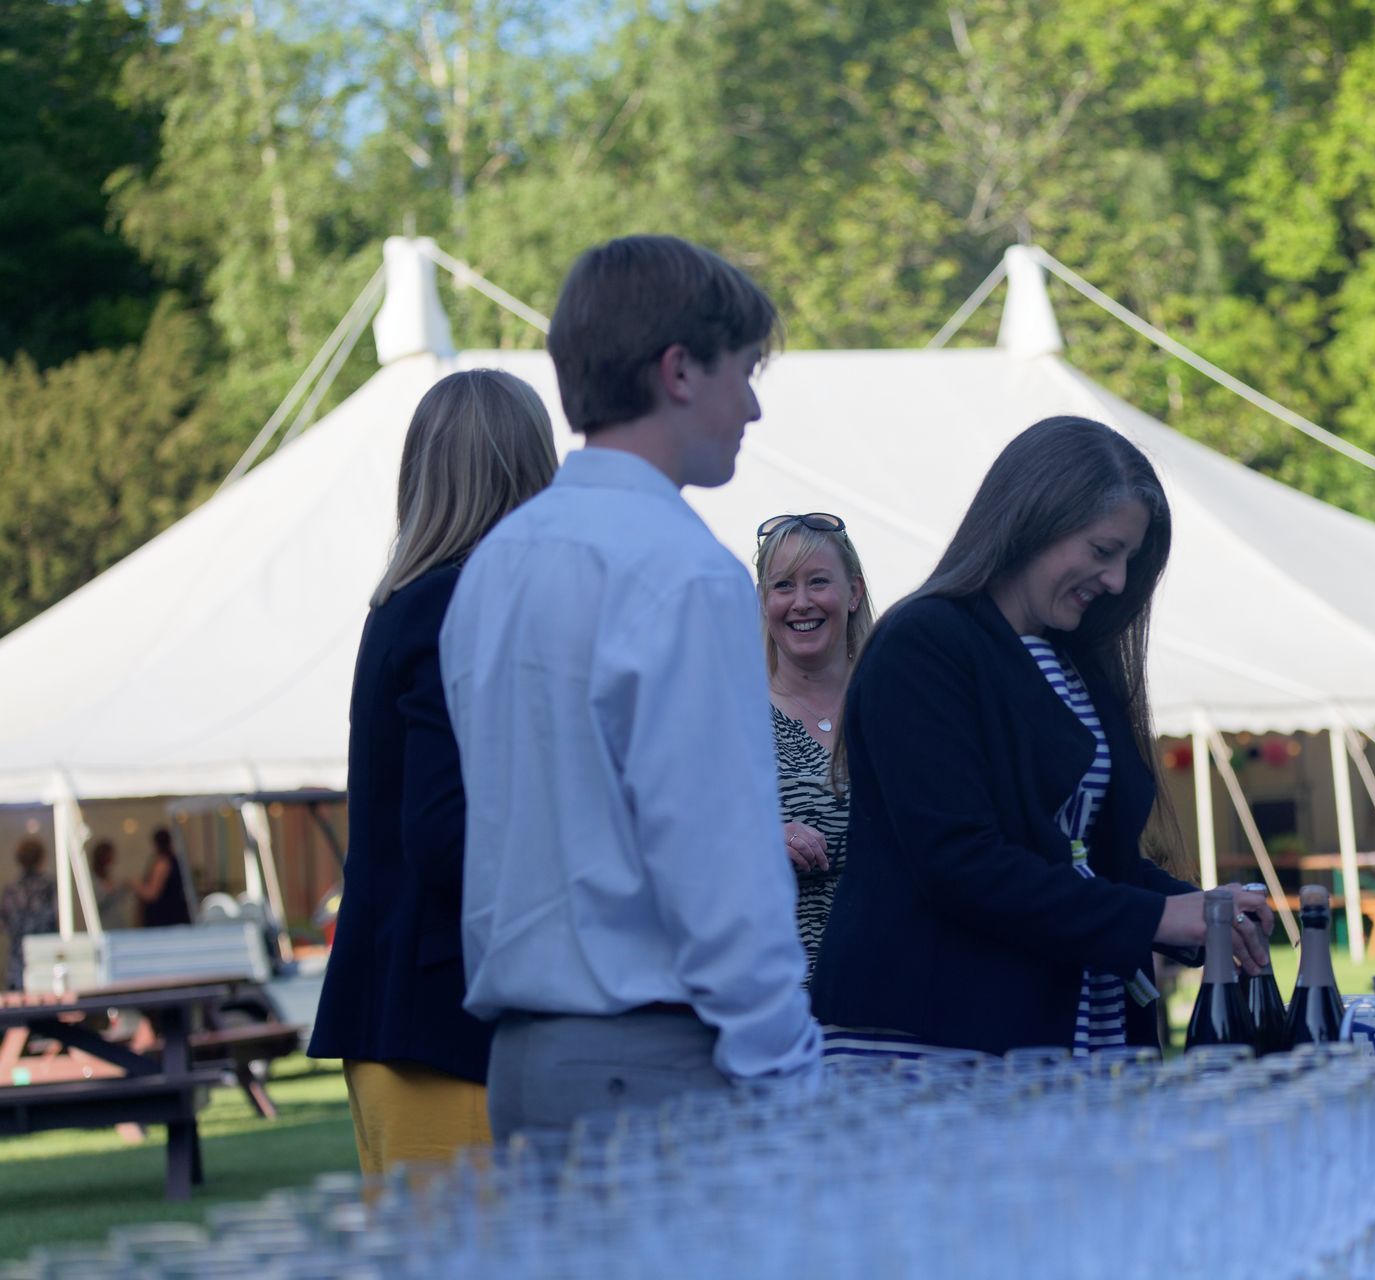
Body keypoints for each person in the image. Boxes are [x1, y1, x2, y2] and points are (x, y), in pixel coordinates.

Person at [443, 234, 821, 1137]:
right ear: (680, 369)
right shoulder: (684, 571)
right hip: (653, 1062)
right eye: (744, 370)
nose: (754, 406)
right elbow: (716, 857)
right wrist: (788, 1069)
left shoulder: (495, 564)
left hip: (528, 1062)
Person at [810, 417, 1274, 1057]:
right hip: (934, 1046)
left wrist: (1194, 908)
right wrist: (1154, 917)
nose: (1116, 581)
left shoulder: (1073, 660)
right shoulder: (923, 645)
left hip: (1067, 1039)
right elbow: (961, 861)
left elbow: (1080, 861)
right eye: (1103, 550)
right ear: (1034, 518)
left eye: (1129, 561)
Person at [308, 368, 558, 1175]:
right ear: (524, 468)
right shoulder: (459, 602)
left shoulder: (408, 602)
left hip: (409, 1011)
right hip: (444, 1021)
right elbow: (447, 831)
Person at [753, 511, 873, 986]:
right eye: (783, 586)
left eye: (818, 582)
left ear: (854, 593)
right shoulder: (731, 718)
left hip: (893, 998)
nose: (801, 602)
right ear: (764, 600)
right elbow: (678, 842)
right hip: (776, 1000)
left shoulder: (898, 706)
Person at [1, 837, 57, 990]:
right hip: (46, 957)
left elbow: (4, 923)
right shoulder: (49, 886)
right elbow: (60, 918)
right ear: (42, 858)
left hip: (18, 961)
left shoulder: (11, 888)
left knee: (20, 1010)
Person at [134, 828, 193, 928]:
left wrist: (135, 884)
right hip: (176, 913)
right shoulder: (176, 860)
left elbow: (152, 893)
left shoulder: (163, 862)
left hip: (165, 917)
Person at [89, 841, 135, 931]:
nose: (113, 859)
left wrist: (123, 889)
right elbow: (96, 902)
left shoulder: (107, 876)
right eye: (111, 855)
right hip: (105, 926)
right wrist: (109, 890)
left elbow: (116, 899)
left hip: (117, 924)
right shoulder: (93, 878)